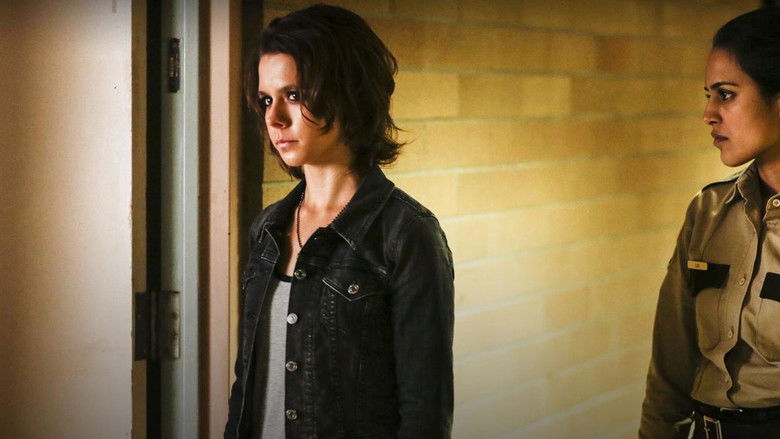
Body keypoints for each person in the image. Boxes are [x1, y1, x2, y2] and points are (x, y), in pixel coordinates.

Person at [224, 5, 455, 439]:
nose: (274, 118)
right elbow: (246, 385)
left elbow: (424, 414)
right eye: (267, 99)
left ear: (347, 93)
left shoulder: (406, 235)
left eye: (294, 95)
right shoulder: (268, 229)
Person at [640, 6, 780, 439]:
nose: (708, 114)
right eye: (709, 95)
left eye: (726, 94)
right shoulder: (708, 211)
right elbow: (671, 365)